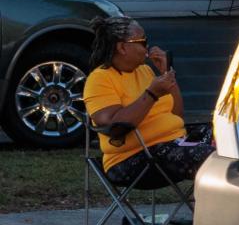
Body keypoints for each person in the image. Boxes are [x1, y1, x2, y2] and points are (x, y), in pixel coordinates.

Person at [81, 16, 214, 205]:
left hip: (173, 144)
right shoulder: (100, 79)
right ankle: (214, 216)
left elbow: (176, 116)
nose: (147, 46)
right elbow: (113, 127)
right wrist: (151, 93)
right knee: (208, 156)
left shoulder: (145, 71)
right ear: (122, 47)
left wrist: (167, 74)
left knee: (229, 138)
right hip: (132, 158)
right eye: (142, 41)